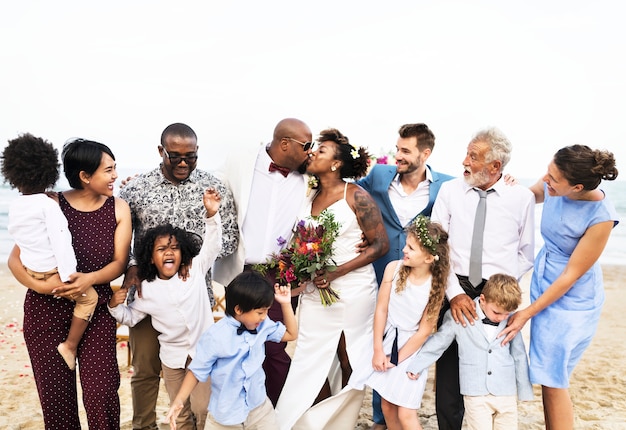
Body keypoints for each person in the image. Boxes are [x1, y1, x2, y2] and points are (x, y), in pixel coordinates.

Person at [119, 122, 238, 430]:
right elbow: (121, 238)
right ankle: (144, 426)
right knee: (145, 369)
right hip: (148, 297)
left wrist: (190, 258)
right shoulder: (136, 189)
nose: (184, 162)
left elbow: (230, 242)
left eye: (192, 156)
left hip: (193, 297)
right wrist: (134, 264)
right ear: (161, 151)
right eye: (175, 156)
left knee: (198, 371)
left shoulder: (214, 188)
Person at [7, 137, 132, 429]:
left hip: (94, 309)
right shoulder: (51, 203)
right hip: (45, 311)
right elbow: (16, 259)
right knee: (57, 402)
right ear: (84, 176)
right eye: (108, 170)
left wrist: (89, 279)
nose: (115, 176)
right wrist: (41, 287)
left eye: (115, 168)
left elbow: (119, 263)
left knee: (101, 394)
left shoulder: (118, 208)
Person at [275, 127, 390, 429]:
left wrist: (336, 271)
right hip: (315, 291)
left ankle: (342, 418)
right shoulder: (308, 194)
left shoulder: (357, 196)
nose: (312, 153)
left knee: (348, 354)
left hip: (353, 290)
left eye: (321, 151)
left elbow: (380, 245)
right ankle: (311, 419)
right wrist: (297, 267)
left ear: (337, 164)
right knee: (310, 357)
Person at [499, 145, 619, 430]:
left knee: (554, 376)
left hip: (574, 297)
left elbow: (571, 275)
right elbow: (528, 196)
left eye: (553, 179)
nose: (546, 181)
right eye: (548, 173)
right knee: (546, 373)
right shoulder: (556, 180)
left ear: (577, 187)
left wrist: (527, 313)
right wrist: (510, 187)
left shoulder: (601, 216)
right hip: (544, 282)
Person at [430, 127, 535, 430]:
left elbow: (526, 253)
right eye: (467, 153)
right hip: (455, 286)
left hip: (496, 293)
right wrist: (454, 293)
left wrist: (497, 291)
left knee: (491, 369)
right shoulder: (450, 191)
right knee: (449, 370)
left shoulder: (522, 198)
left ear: (495, 167)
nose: (465, 161)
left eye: (473, 157)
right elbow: (438, 246)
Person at [358, 122, 453, 429]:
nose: (397, 155)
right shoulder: (379, 176)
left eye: (405, 150)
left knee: (399, 361)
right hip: (384, 268)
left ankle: (389, 416)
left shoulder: (445, 186)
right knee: (380, 341)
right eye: (397, 148)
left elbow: (473, 188)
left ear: (425, 154)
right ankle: (379, 419)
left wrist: (505, 180)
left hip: (419, 273)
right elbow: (352, 195)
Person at [213, 117, 314, 405]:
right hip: (240, 272)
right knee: (241, 342)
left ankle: (279, 410)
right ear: (285, 143)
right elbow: (207, 188)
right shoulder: (240, 162)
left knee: (275, 345)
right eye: (306, 145)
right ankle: (242, 406)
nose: (311, 151)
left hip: (279, 275)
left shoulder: (308, 178)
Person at [109, 188, 222, 430]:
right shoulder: (146, 289)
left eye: (174, 248)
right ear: (150, 258)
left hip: (202, 354)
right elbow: (130, 317)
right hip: (172, 359)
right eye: (161, 249)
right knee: (179, 412)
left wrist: (212, 215)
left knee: (203, 408)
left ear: (183, 254)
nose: (169, 252)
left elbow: (214, 245)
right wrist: (114, 306)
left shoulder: (195, 269)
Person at [2, 133, 99, 371]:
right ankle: (71, 345)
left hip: (32, 272)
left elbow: (24, 239)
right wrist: (70, 277)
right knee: (90, 299)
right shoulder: (48, 206)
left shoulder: (15, 206)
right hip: (54, 275)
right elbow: (61, 242)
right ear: (48, 171)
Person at [165, 271, 298, 429]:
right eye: (260, 312)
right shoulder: (215, 336)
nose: (264, 316)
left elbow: (291, 334)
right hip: (225, 417)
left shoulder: (263, 325)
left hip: (259, 409)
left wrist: (285, 303)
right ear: (239, 310)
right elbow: (196, 371)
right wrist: (180, 400)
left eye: (267, 311)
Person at [407, 274, 533, 430]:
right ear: (482, 299)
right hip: (475, 392)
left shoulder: (510, 321)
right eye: (497, 313)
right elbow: (438, 343)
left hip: (506, 392)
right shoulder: (460, 316)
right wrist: (417, 365)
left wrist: (525, 390)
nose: (502, 318)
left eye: (507, 314)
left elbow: (519, 356)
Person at [365, 215, 450, 430]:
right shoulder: (393, 269)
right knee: (387, 405)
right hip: (386, 342)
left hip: (412, 351)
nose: (404, 250)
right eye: (406, 244)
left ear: (429, 258)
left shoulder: (435, 285)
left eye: (411, 248)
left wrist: (396, 359)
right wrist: (377, 350)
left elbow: (424, 331)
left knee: (406, 413)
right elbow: (381, 309)